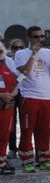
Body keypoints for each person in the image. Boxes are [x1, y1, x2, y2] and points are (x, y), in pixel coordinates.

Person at [13, 27, 50, 172]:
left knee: (45, 129)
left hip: (47, 96)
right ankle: (26, 160)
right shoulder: (21, 53)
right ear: (29, 38)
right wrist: (34, 53)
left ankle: (45, 159)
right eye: (36, 37)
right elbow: (25, 72)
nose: (40, 39)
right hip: (30, 96)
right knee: (27, 129)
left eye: (42, 36)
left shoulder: (47, 52)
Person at [0, 42, 19, 174]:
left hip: (7, 108)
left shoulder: (7, 69)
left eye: (1, 52)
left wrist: (12, 94)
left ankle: (2, 160)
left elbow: (17, 84)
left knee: (4, 135)